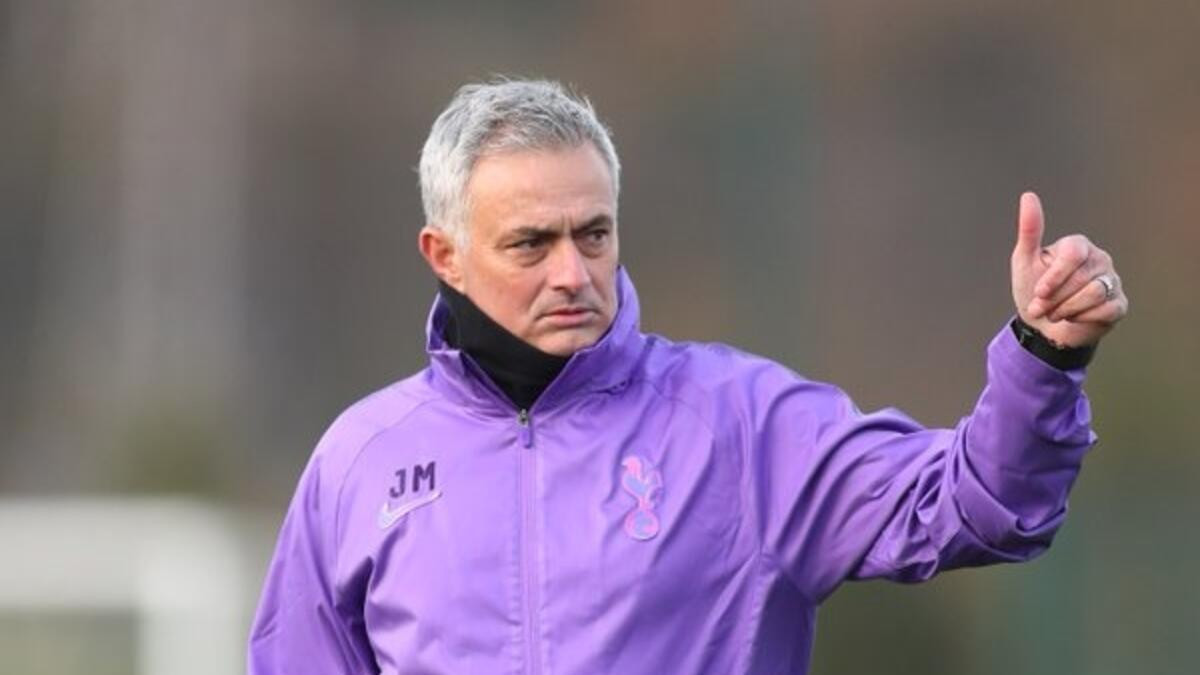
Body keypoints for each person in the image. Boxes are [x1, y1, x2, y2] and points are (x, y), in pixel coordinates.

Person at [247, 78, 1128, 674]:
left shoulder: (739, 424)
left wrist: (1043, 355)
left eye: (593, 234)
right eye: (531, 243)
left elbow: (977, 504)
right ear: (445, 255)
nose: (572, 272)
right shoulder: (359, 461)